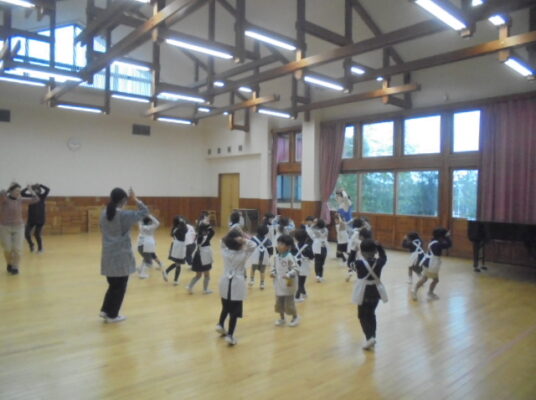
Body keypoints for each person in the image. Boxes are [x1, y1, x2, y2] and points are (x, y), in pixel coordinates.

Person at [99, 187, 148, 323]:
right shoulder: (123, 215)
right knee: (120, 287)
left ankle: (105, 310)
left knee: (112, 285)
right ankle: (113, 315)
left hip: (108, 254)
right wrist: (135, 199)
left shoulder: (103, 213)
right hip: (120, 255)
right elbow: (145, 212)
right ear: (123, 200)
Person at [216, 230, 257, 346]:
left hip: (224, 280)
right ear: (240, 243)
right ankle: (230, 335)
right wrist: (244, 240)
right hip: (237, 282)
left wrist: (231, 237)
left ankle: (220, 324)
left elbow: (222, 241)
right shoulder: (243, 254)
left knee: (225, 305)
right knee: (234, 310)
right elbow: (254, 245)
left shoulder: (224, 251)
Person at [350, 239, 388, 351]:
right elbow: (384, 257)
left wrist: (353, 251)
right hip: (376, 291)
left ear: (361, 251)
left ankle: (369, 338)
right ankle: (373, 336)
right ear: (375, 251)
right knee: (371, 314)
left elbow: (349, 263)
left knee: (362, 315)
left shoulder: (358, 264)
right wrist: (380, 247)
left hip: (363, 292)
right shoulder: (380, 262)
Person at [0, 183, 39, 274]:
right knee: (7, 249)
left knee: (17, 249)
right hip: (5, 227)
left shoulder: (20, 200)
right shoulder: (4, 199)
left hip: (19, 227)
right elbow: (1, 196)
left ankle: (15, 267)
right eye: (16, 190)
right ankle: (9, 263)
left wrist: (31, 190)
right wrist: (4, 192)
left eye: (19, 190)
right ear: (11, 191)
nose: (18, 192)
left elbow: (36, 199)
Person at [412, 228, 452, 301]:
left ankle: (423, 291)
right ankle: (422, 292)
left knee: (431, 279)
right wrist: (447, 237)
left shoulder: (434, 241)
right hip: (431, 263)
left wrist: (446, 236)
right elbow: (448, 245)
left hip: (430, 262)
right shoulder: (437, 243)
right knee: (428, 279)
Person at [271, 234, 300, 327]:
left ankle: (295, 317)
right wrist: (273, 272)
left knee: (289, 303)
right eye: (278, 243)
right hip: (278, 283)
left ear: (288, 247)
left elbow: (296, 269)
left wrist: (288, 275)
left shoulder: (290, 257)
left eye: (281, 244)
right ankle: (282, 318)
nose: (278, 245)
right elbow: (273, 267)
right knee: (279, 302)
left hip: (288, 283)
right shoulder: (276, 257)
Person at [187, 211, 215, 294]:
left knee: (198, 275)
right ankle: (205, 290)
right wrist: (208, 226)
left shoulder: (198, 235)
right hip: (205, 255)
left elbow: (204, 229)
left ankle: (190, 287)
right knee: (207, 274)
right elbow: (212, 232)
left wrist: (202, 224)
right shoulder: (206, 236)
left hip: (198, 255)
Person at [21, 183, 50, 253]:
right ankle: (31, 244)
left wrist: (40, 185)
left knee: (37, 234)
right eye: (34, 190)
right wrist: (29, 188)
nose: (36, 191)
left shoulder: (42, 196)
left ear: (39, 190)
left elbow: (47, 189)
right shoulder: (30, 197)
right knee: (26, 234)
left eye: (37, 189)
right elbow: (22, 193)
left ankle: (40, 248)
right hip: (31, 219)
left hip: (40, 219)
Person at [163, 216, 188, 285]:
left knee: (178, 263)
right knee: (178, 263)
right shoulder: (180, 229)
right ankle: (175, 280)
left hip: (176, 245)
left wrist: (182, 222)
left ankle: (167, 272)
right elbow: (186, 230)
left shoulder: (175, 228)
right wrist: (183, 222)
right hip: (179, 246)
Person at [248, 224, 274, 290]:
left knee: (253, 268)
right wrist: (270, 255)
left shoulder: (253, 238)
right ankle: (262, 283)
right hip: (263, 258)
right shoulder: (267, 240)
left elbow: (250, 247)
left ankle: (251, 280)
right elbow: (270, 249)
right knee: (262, 271)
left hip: (255, 257)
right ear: (266, 232)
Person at [136, 214, 162, 279]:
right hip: (147, 245)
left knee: (145, 258)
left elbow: (139, 220)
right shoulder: (151, 227)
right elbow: (157, 222)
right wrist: (149, 215)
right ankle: (142, 274)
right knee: (149, 262)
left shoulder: (141, 226)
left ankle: (140, 269)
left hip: (140, 246)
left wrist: (142, 214)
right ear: (150, 222)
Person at [292, 228, 314, 302]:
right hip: (304, 264)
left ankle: (303, 292)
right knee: (301, 281)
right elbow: (311, 256)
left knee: (299, 280)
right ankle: (297, 296)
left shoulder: (294, 245)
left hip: (295, 264)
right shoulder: (307, 246)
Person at [306, 218, 328, 282]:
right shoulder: (324, 229)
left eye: (315, 222)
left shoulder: (316, 230)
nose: (314, 223)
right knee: (320, 262)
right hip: (321, 247)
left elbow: (310, 230)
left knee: (319, 262)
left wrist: (313, 225)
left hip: (320, 246)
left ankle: (319, 275)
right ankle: (319, 276)